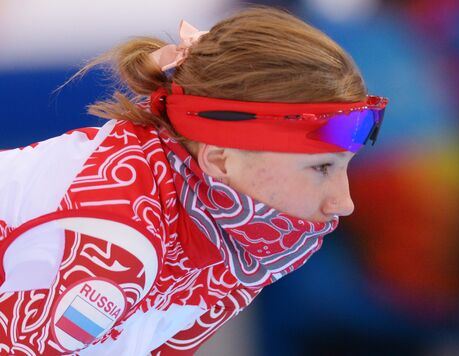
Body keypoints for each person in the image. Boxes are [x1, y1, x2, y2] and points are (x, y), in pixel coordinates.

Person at [0, 6, 387, 355]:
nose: (344, 202)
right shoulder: (119, 248)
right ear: (220, 159)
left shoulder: (233, 237)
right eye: (322, 168)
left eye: (344, 165)